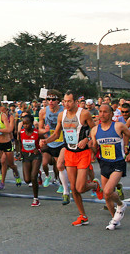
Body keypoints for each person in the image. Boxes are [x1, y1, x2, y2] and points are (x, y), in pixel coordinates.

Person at [41, 91, 101, 227]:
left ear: (75, 102)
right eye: (65, 101)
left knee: (80, 187)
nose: (66, 104)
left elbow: (95, 130)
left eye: (69, 101)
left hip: (83, 153)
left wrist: (87, 139)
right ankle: (83, 216)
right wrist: (46, 141)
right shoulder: (61, 115)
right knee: (73, 188)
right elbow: (56, 134)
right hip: (70, 152)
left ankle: (95, 185)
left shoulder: (84, 114)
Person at [90, 103, 130, 230]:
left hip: (118, 162)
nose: (102, 114)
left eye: (105, 112)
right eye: (100, 111)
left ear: (111, 114)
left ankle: (120, 205)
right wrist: (90, 148)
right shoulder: (95, 130)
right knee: (106, 195)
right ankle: (114, 219)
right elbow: (95, 148)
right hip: (104, 163)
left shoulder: (118, 126)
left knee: (107, 191)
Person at [39, 90, 70, 205]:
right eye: (48, 99)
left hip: (61, 141)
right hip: (49, 141)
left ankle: (64, 187)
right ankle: (48, 177)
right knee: (44, 163)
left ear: (58, 101)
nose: (50, 101)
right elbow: (40, 129)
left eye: (53, 99)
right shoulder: (43, 111)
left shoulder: (64, 111)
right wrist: (44, 131)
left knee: (59, 165)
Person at [0, 99, 21, 191]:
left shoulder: (3, 116)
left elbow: (9, 129)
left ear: (0, 107)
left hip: (6, 143)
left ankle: (16, 172)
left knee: (10, 164)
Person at [17, 115, 44, 206]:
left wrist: (39, 149)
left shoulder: (37, 133)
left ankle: (36, 199)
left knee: (33, 177)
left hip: (36, 156)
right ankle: (38, 174)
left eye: (27, 123)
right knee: (27, 180)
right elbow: (19, 143)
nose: (25, 125)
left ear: (32, 123)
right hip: (26, 156)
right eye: (24, 124)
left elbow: (46, 143)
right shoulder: (21, 132)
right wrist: (20, 153)